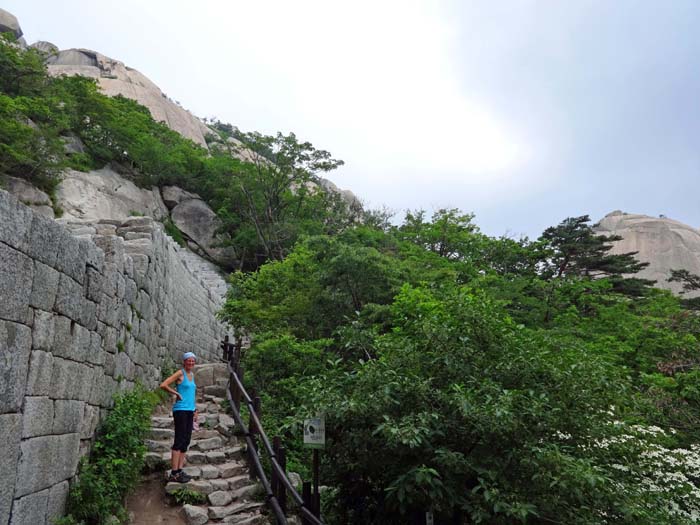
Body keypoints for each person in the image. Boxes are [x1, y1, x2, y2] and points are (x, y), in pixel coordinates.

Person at [160, 351, 198, 483]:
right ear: (184, 362)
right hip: (180, 410)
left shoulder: (192, 375)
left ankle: (180, 471)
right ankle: (174, 472)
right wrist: (176, 393)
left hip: (189, 410)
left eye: (193, 361)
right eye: (189, 361)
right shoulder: (180, 373)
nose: (191, 363)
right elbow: (164, 384)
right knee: (179, 440)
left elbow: (192, 394)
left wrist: (195, 410)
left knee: (186, 441)